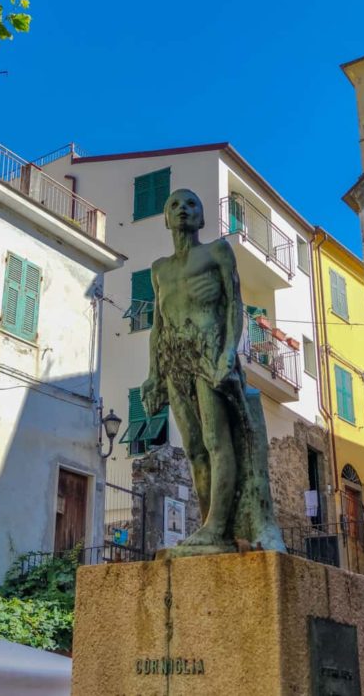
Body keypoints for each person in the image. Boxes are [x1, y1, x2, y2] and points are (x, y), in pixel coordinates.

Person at [141, 189, 285, 554]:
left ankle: (218, 527)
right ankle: (208, 528)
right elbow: (157, 325)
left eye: (191, 203)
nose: (183, 210)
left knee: (216, 440)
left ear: (202, 217)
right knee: (193, 448)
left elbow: (235, 304)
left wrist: (227, 353)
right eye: (174, 205)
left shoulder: (217, 251)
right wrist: (153, 373)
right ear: (166, 219)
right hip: (176, 359)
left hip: (208, 353)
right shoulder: (159, 269)